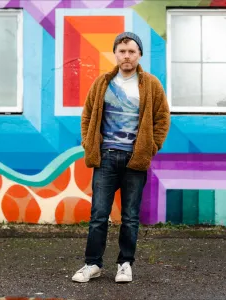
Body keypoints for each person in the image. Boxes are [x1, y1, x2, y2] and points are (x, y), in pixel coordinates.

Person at [72, 32, 170, 283]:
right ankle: (92, 264)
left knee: (130, 216)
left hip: (135, 160)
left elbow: (162, 119)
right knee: (98, 215)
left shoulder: (151, 85)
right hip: (106, 158)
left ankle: (125, 264)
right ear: (115, 54)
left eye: (132, 51)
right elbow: (87, 116)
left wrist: (151, 147)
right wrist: (89, 142)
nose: (126, 56)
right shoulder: (103, 82)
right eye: (122, 51)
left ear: (139, 55)